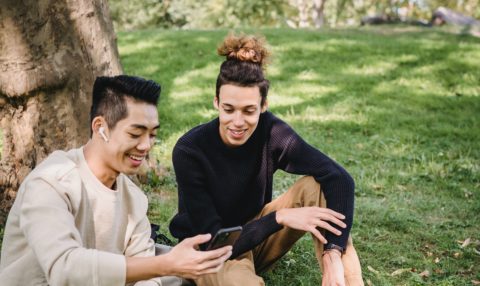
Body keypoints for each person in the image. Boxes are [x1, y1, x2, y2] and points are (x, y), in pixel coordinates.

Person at [169, 34, 364, 286]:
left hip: (255, 237)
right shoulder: (189, 150)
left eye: (249, 110)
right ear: (216, 102)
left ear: (263, 106)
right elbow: (215, 241)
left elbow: (338, 179)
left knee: (315, 186)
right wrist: (279, 218)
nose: (237, 122)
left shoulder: (272, 132)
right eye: (228, 109)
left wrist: (333, 252)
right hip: (210, 252)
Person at [0, 75, 232, 286]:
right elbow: (64, 268)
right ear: (100, 127)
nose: (146, 146)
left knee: (178, 274)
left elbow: (146, 273)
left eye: (152, 135)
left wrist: (162, 270)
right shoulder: (51, 182)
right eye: (135, 134)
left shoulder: (133, 198)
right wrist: (164, 265)